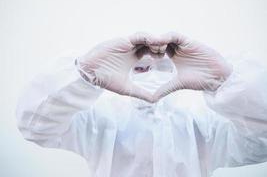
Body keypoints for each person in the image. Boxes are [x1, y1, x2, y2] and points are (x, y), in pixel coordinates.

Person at [16, 32, 267, 177]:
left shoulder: (204, 125)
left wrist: (227, 80)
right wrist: (82, 74)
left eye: (165, 66)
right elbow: (35, 125)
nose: (153, 71)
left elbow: (261, 141)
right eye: (142, 66)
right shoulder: (99, 120)